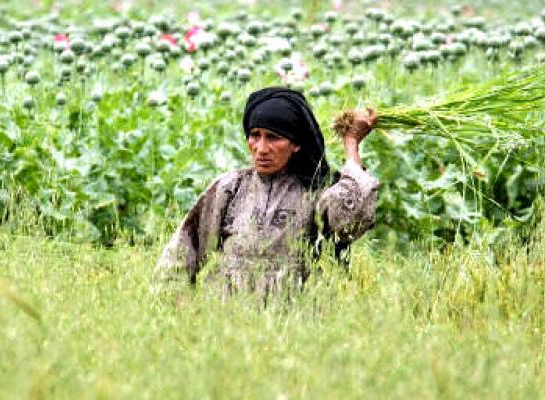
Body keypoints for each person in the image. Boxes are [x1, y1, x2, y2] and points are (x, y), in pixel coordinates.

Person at [153, 87, 379, 298]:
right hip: (224, 322)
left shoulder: (317, 190)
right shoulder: (230, 187)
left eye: (273, 137)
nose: (261, 149)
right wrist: (183, 310)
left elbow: (351, 220)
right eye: (255, 135)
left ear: (296, 144)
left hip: (296, 326)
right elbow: (180, 255)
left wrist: (351, 144)